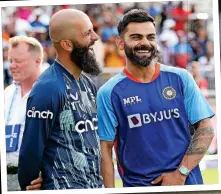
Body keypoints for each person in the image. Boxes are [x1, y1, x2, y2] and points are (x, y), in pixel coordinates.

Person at [97, 9, 215, 187]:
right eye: (136, 37)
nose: (145, 43)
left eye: (150, 37)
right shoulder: (109, 92)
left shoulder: (180, 78)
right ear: (120, 43)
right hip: (138, 188)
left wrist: (180, 173)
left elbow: (205, 128)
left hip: (187, 185)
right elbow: (105, 152)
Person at [18, 9, 103, 190]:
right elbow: (30, 150)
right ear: (67, 44)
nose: (95, 37)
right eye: (88, 33)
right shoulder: (48, 88)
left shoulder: (87, 83)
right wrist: (29, 184)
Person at [4, 36, 44, 191]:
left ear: (37, 61)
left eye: (18, 61)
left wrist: (48, 174)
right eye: (10, 60)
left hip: (35, 180)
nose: (12, 66)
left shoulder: (49, 93)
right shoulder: (7, 93)